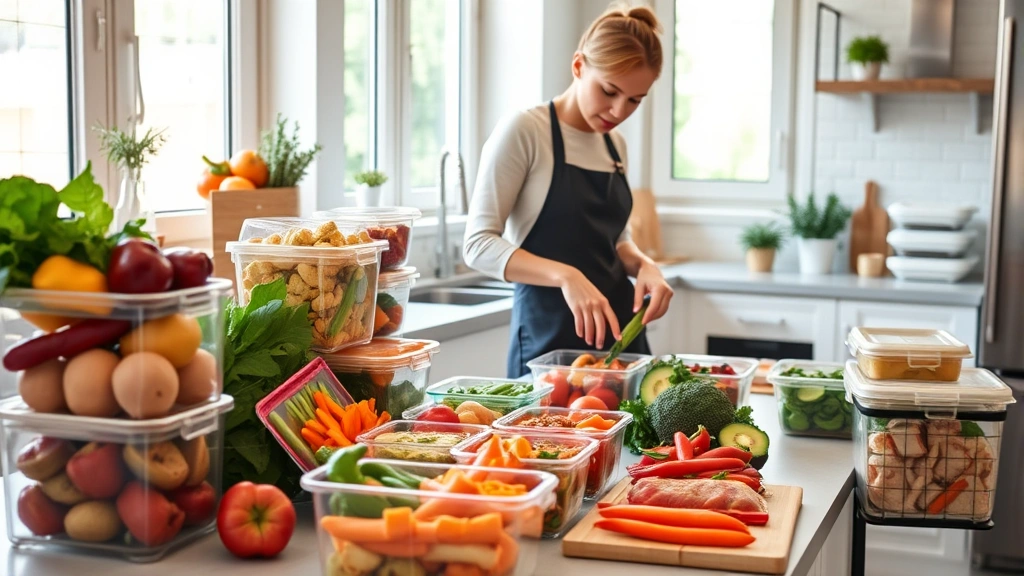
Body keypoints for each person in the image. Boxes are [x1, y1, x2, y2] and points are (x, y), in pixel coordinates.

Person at [463, 2, 674, 378]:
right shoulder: (526, 131)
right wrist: (567, 276)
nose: (618, 110)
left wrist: (645, 265)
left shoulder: (615, 145)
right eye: (609, 90)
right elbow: (478, 245)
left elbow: (615, 238)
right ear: (578, 66)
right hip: (549, 346)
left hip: (622, 341)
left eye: (634, 100)